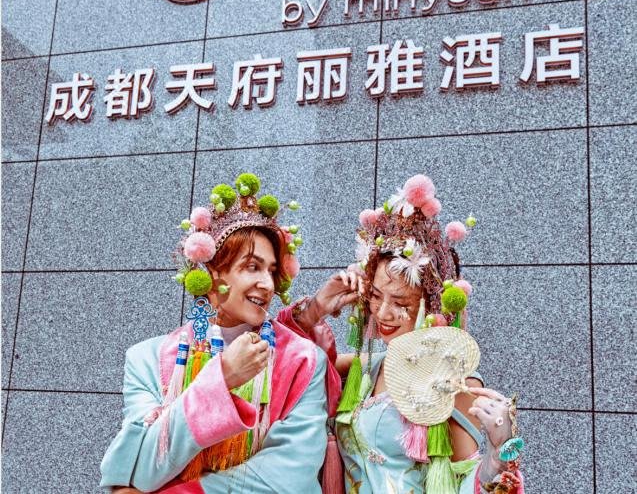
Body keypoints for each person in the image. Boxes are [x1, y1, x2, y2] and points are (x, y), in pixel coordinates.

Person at [100, 173, 342, 494]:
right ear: (212, 273)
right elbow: (139, 469)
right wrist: (222, 378)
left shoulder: (304, 361)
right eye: (252, 267)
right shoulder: (147, 359)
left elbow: (287, 478)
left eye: (271, 271)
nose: (267, 284)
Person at [289, 173, 525, 494]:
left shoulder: (454, 381)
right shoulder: (368, 366)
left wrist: (498, 457)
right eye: (375, 296)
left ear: (430, 307)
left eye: (401, 303)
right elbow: (295, 368)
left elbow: (463, 479)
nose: (383, 313)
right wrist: (316, 308)